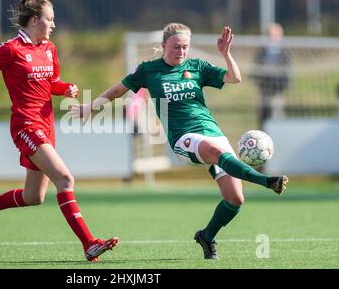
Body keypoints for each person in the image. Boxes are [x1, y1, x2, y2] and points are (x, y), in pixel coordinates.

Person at [71, 23, 288, 260]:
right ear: (164, 45)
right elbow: (117, 91)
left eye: (185, 47)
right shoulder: (149, 70)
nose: (181, 51)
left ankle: (206, 236)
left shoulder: (197, 66)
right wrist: (90, 107)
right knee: (215, 151)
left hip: (212, 132)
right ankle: (266, 181)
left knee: (235, 199)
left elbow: (234, 78)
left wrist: (225, 53)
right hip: (183, 138)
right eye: (176, 46)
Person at [0, 0, 118, 262]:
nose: (53, 25)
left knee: (33, 196)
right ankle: (89, 243)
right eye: (50, 19)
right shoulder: (11, 49)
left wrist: (65, 88)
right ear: (35, 20)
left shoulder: (49, 48)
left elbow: (51, 83)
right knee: (65, 179)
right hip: (25, 125)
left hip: (46, 125)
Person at [250, 23, 292, 127]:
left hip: (278, 89)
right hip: (264, 88)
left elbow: (287, 72)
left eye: (273, 35)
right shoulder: (262, 51)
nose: (271, 38)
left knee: (277, 114)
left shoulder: (285, 52)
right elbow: (256, 68)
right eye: (269, 35)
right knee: (264, 113)